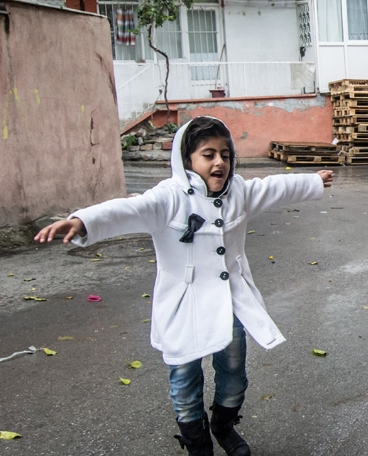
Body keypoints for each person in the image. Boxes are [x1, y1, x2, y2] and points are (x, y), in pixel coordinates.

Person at [34, 117, 335, 455]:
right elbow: (129, 209)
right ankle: (197, 442)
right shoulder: (169, 198)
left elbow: (274, 187)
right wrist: (82, 220)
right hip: (182, 303)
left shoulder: (239, 193)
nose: (219, 162)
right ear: (187, 160)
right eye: (208, 154)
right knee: (184, 381)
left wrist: (312, 181)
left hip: (230, 302)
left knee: (234, 376)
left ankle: (223, 424)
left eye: (225, 154)